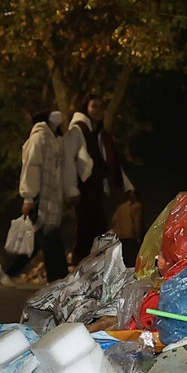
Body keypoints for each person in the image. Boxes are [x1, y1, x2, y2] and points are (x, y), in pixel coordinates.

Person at [0, 111, 73, 285]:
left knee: (41, 238)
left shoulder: (54, 140)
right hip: (41, 197)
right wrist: (28, 196)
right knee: (48, 237)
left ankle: (7, 269)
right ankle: (58, 278)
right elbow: (31, 167)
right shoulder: (39, 138)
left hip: (51, 198)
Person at [67, 93, 132, 263]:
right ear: (86, 108)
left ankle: (92, 266)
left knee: (99, 229)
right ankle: (80, 263)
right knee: (86, 229)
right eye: (93, 106)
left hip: (100, 188)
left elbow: (112, 163)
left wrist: (127, 187)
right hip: (85, 187)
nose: (98, 110)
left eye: (100, 107)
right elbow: (68, 159)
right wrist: (72, 189)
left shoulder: (102, 135)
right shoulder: (78, 130)